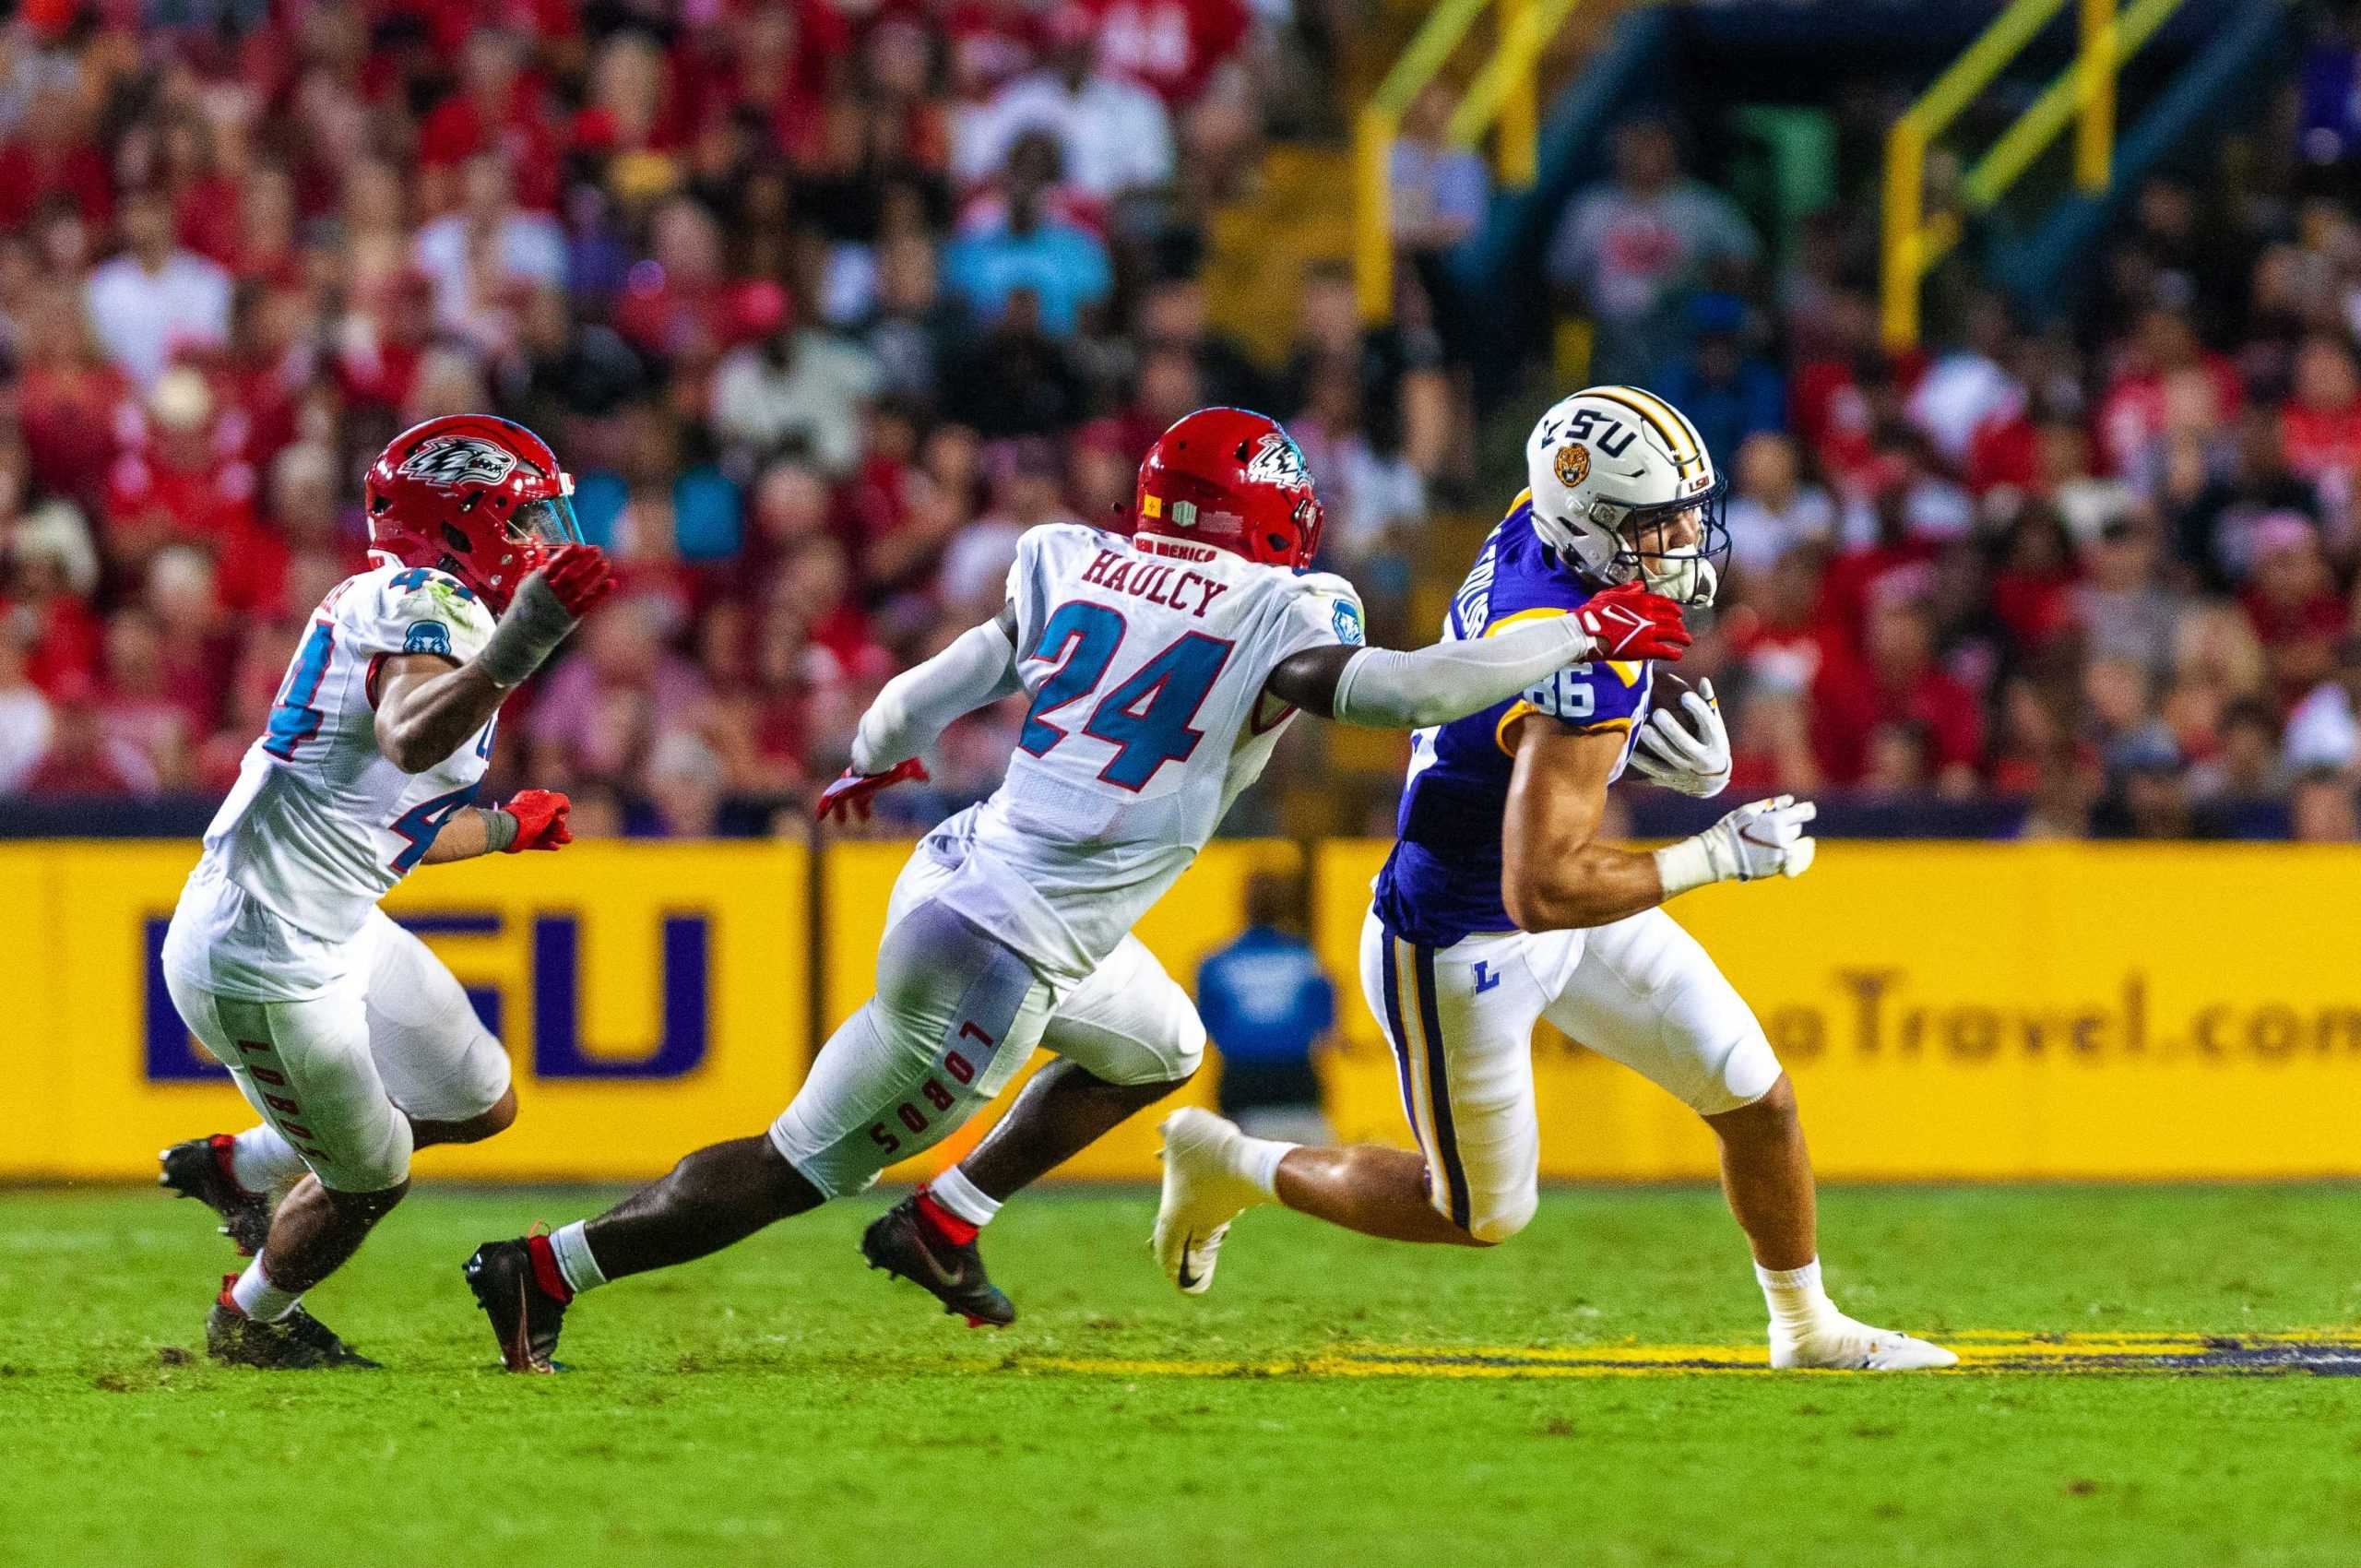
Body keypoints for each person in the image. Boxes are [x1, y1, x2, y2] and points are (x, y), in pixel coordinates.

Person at [465, 406, 1694, 1368]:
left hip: (966, 865)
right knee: (797, 1164)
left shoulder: (1068, 557)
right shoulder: (1285, 606)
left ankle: (944, 1223)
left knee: (1161, 1047)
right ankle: (548, 1267)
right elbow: (1419, 693)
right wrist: (1589, 628)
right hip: (1008, 947)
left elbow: (920, 696)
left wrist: (869, 760)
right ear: (1270, 520)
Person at [1151, 386, 1957, 1372]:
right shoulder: (1577, 656)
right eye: (1653, 523)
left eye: (1681, 516)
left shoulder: (1536, 526)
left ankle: (1805, 1327)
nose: (1678, 543)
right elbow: (1545, 886)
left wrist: (1651, 757)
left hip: (1539, 883)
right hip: (1459, 936)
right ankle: (1231, 1159)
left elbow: (1530, 750)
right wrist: (1716, 852)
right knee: (1480, 1210)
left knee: (1757, 1097)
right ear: (1589, 521)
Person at [155, 415, 613, 1369]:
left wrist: (505, 829)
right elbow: (410, 737)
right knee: (371, 1176)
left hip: (333, 920)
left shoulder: (426, 602)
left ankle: (241, 1165)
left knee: (482, 1100)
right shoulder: (427, 600)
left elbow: (387, 819)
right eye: (520, 516)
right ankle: (253, 1318)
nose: (539, 537)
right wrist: (526, 636)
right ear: (460, 519)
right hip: (266, 946)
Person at [1198, 870, 1336, 1144]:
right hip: (1296, 1079)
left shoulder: (1217, 962)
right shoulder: (1305, 957)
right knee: (1312, 1172)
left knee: (1241, 1177)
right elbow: (1326, 1023)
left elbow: (1205, 1027)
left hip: (1241, 1081)